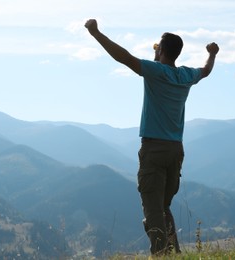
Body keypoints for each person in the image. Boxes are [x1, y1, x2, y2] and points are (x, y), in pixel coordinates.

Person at [84, 19, 219, 255]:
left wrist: (96, 33)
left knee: (153, 210)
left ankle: (161, 254)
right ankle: (172, 253)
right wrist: (212, 53)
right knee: (163, 206)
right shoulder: (186, 75)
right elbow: (206, 71)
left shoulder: (155, 72)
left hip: (154, 150)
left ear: (163, 50)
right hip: (176, 150)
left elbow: (123, 57)